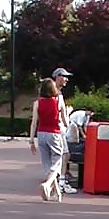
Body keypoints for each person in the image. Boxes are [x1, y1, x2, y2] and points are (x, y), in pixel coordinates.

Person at [29, 78, 69, 201]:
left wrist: (31, 140)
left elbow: (34, 123)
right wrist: (68, 112)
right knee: (57, 162)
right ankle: (47, 185)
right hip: (54, 133)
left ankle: (56, 193)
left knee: (47, 165)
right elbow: (66, 123)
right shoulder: (58, 102)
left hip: (41, 134)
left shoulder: (37, 103)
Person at [51, 66, 78, 195]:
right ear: (58, 77)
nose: (66, 79)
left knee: (61, 155)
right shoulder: (56, 93)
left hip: (56, 129)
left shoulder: (55, 93)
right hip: (58, 129)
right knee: (63, 155)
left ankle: (58, 181)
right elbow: (57, 113)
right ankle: (60, 182)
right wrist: (67, 113)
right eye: (64, 76)